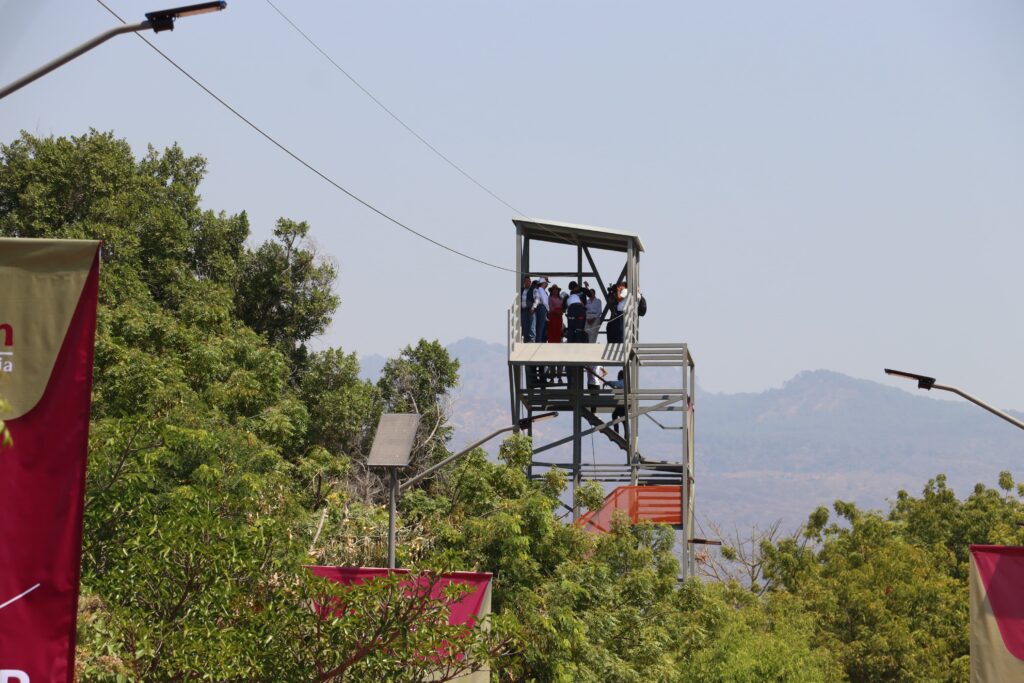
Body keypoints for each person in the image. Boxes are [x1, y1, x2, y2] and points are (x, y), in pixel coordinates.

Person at [520, 275, 536, 342]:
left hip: (531, 310)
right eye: (525, 281)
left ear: (530, 282)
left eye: (528, 281)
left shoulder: (533, 289)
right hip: (524, 311)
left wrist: (533, 308)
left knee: (531, 327)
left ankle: (532, 341)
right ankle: (526, 342)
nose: (527, 282)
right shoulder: (521, 290)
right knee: (525, 327)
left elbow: (537, 299)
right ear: (524, 282)